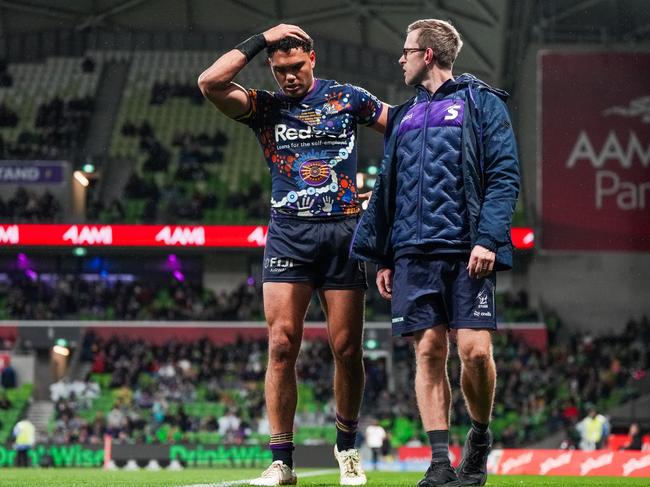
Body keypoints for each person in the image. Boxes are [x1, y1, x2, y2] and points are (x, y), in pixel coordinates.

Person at [198, 24, 387, 486]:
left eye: (296, 67)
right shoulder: (265, 107)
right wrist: (261, 38)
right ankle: (282, 461)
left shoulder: (348, 98)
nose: (289, 77)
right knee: (282, 344)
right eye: (280, 69)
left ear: (313, 60)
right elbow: (209, 83)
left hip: (343, 232)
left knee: (346, 349)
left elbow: (403, 129)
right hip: (288, 235)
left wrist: (382, 192)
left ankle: (346, 449)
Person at [352, 18, 520, 487]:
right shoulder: (403, 117)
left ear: (427, 54)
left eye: (406, 51)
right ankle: (441, 462)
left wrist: (488, 238)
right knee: (428, 352)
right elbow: (388, 188)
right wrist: (383, 255)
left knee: (475, 354)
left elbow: (505, 175)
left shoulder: (481, 103)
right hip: (412, 254)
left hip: (468, 250)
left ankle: (480, 441)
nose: (399, 59)